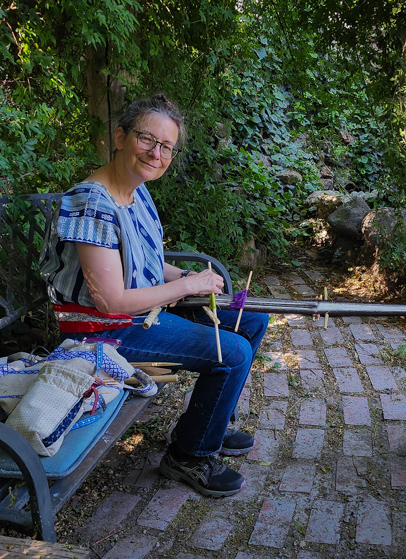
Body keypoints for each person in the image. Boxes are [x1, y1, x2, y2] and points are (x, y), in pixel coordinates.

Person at [39, 94, 268, 497]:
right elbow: (109, 300)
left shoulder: (136, 190)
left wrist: (188, 276)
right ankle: (189, 455)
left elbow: (142, 260)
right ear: (121, 136)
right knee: (232, 352)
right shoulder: (92, 203)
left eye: (166, 147)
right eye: (148, 139)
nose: (156, 153)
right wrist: (185, 287)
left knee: (251, 320)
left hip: (137, 313)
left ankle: (206, 423)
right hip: (102, 330)